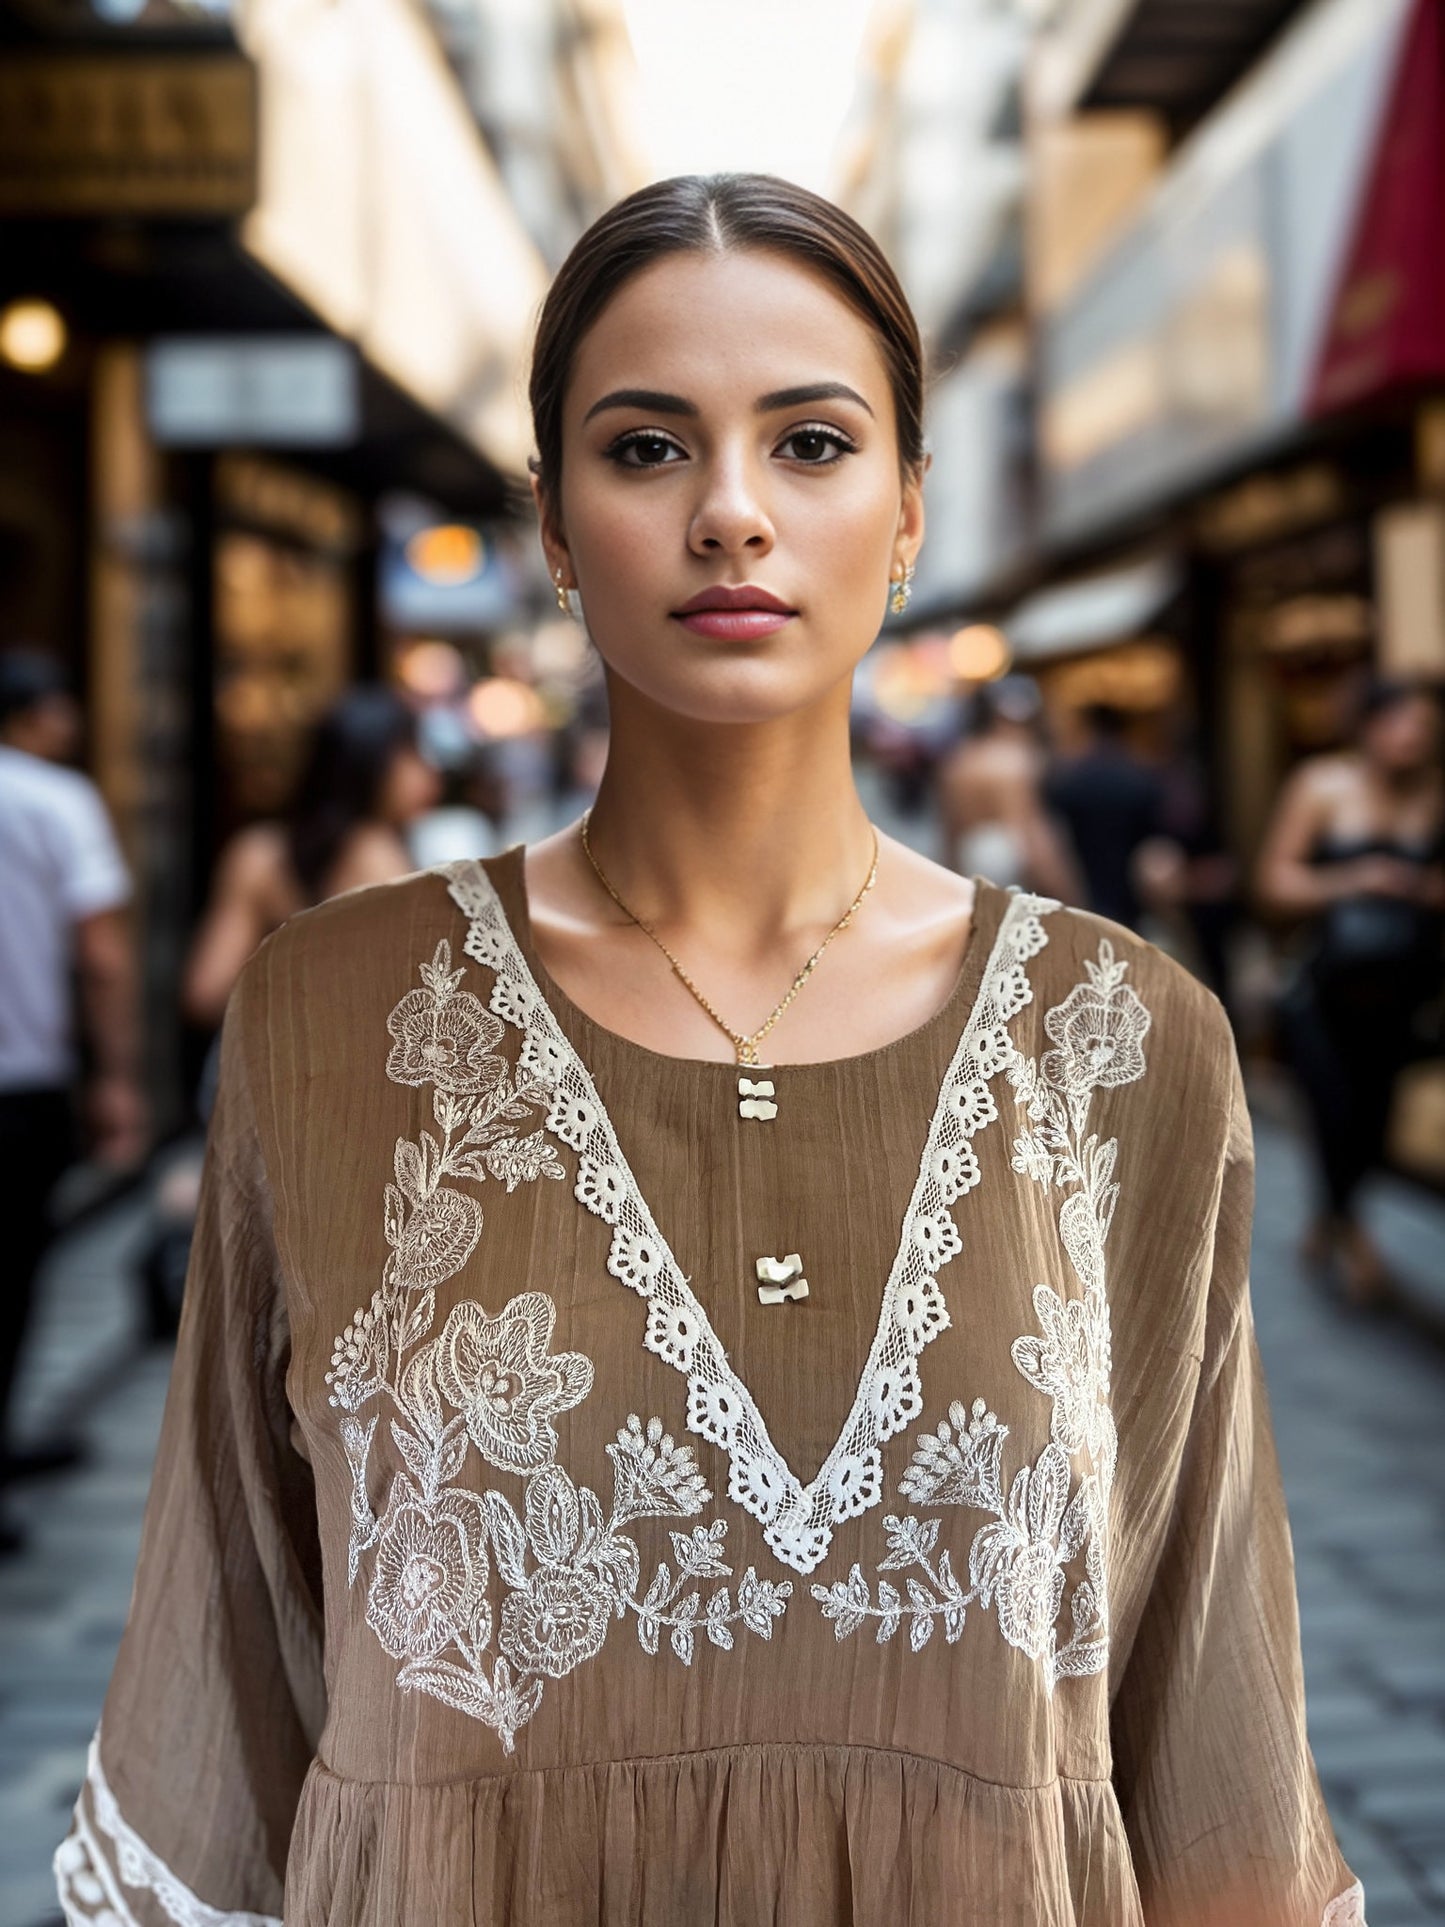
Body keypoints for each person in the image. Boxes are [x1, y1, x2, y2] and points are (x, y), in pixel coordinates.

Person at [57, 176, 1362, 1927]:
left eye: (812, 445)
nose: (732, 515)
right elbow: (228, 1654)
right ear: (551, 518)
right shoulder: (335, 1012)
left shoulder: (1123, 1041)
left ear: (908, 507)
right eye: (649, 447)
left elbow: (1205, 1707)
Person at [0, 650, 146, 1555]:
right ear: (36, 714)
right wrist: (120, 1075)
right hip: (23, 1076)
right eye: (64, 705)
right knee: (12, 1273)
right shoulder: (55, 801)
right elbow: (102, 953)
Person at [1256, 678, 1444, 1304]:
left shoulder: (1434, 795)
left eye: (1425, 725)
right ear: (1369, 724)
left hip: (1403, 991)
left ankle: (1328, 1220)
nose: (1412, 737)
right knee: (1334, 1114)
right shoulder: (1321, 785)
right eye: (1401, 722)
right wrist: (1357, 878)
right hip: (1325, 992)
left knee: (1374, 1120)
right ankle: (1353, 1237)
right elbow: (1275, 883)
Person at [183, 684, 441, 1034]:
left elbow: (207, 990)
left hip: (267, 1063)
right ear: (373, 762)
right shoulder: (377, 852)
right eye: (413, 753)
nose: (429, 771)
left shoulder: (258, 852)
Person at [936, 674, 1081, 898]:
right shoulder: (1017, 761)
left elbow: (949, 840)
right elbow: (1032, 841)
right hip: (1013, 879)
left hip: (970, 880)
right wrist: (1071, 899)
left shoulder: (959, 761)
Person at [1045, 701, 1168, 928]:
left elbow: (1057, 842)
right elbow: (1155, 846)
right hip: (1132, 897)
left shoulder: (1070, 780)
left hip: (1085, 889)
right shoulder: (1140, 776)